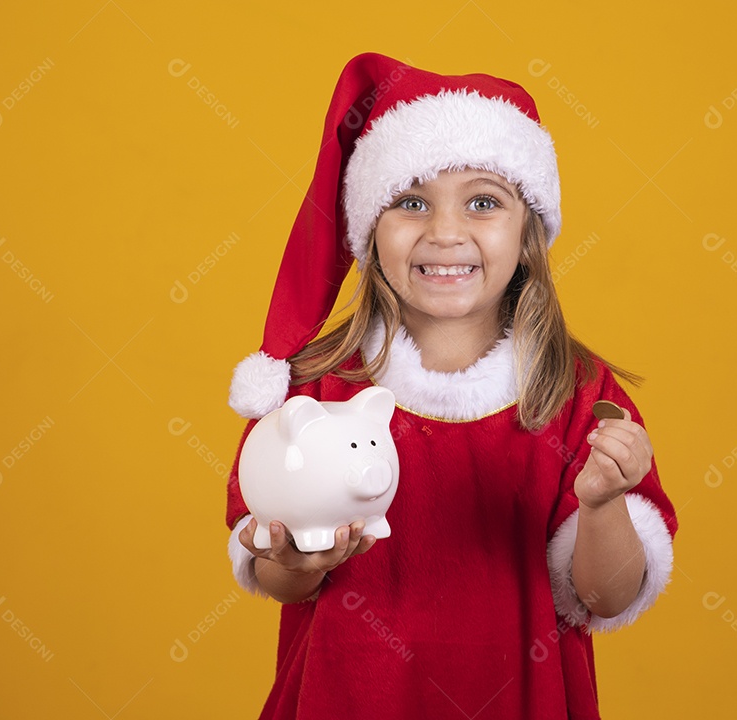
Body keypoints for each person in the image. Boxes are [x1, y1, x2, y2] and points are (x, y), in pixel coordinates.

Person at [223, 52, 678, 719]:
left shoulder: (579, 395)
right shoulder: (310, 391)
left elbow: (606, 599)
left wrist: (605, 504)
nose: (444, 232)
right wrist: (299, 557)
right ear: (369, 229)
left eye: (483, 202)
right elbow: (277, 579)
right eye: (410, 201)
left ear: (528, 229)